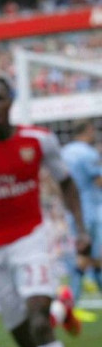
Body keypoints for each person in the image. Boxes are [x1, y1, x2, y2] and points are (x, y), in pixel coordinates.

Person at [0, 76, 90, 347]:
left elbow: (66, 182)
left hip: (32, 239)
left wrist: (81, 230)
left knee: (39, 324)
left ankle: (51, 310)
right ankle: (60, 308)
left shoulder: (39, 140)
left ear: (10, 101)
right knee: (26, 342)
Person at [61, 119, 102, 302]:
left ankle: (71, 302)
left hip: (73, 212)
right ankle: (68, 302)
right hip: (91, 210)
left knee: (85, 254)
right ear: (88, 130)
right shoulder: (88, 153)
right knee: (91, 257)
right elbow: (99, 180)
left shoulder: (64, 153)